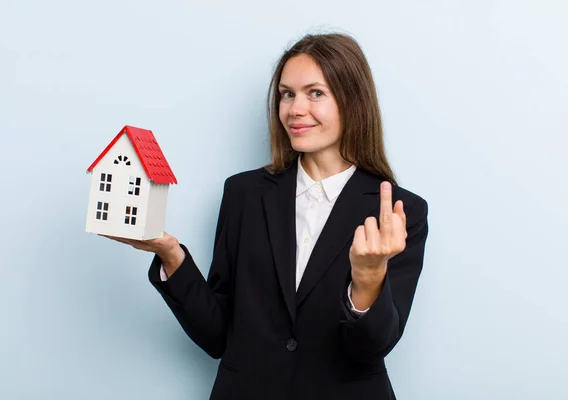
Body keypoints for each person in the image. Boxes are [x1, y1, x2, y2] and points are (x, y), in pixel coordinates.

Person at [103, 32, 429, 400]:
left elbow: (371, 348)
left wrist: (368, 280)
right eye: (287, 94)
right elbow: (216, 335)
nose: (295, 109)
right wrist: (171, 256)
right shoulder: (244, 194)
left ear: (353, 101)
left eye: (315, 93)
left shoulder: (401, 213)